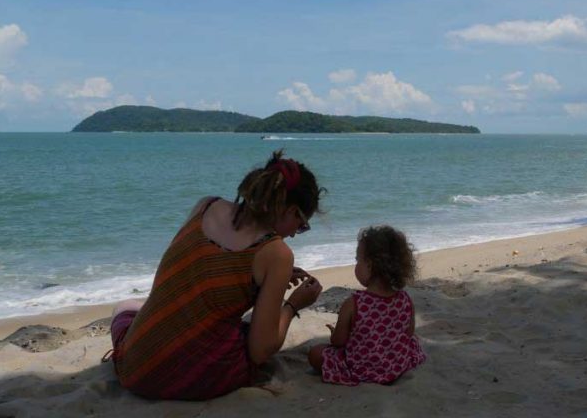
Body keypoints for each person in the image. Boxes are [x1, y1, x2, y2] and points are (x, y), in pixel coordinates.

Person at [107, 151, 324, 400]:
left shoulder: (206, 206)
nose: (296, 234)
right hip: (189, 376)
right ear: (291, 211)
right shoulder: (276, 253)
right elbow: (261, 351)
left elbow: (200, 270)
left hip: (133, 370)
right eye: (302, 225)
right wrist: (294, 304)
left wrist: (268, 281)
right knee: (246, 335)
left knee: (125, 307)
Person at [308, 225, 426, 386]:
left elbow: (339, 342)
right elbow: (409, 333)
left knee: (315, 354)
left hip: (360, 368)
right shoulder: (405, 299)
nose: (356, 265)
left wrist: (334, 333)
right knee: (414, 341)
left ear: (369, 265)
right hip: (395, 366)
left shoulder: (354, 304)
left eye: (357, 260)